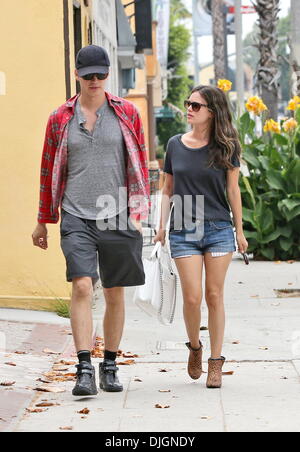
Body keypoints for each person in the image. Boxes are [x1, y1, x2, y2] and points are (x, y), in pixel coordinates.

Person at [32, 45, 150, 397]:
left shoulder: (127, 112)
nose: (95, 81)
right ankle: (83, 367)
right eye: (89, 76)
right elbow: (47, 169)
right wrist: (43, 219)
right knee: (82, 286)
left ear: (108, 74)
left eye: (101, 75)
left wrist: (138, 213)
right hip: (76, 215)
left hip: (117, 215)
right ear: (77, 76)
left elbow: (139, 164)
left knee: (114, 292)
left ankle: (109, 365)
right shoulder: (59, 118)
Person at [154, 85, 248, 389]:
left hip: (219, 228)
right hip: (184, 228)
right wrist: (160, 228)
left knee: (215, 295)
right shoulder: (174, 145)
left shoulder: (227, 146)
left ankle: (216, 362)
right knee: (192, 297)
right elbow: (167, 190)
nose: (189, 109)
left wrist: (240, 230)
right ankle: (195, 347)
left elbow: (233, 190)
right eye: (188, 104)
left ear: (212, 112)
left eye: (196, 105)